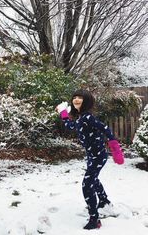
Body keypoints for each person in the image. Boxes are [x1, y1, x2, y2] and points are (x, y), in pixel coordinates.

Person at [56, 89, 124, 230]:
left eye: (80, 97)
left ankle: (95, 219)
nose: (76, 99)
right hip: (92, 155)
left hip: (98, 156)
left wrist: (115, 149)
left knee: (87, 185)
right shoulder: (81, 118)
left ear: (86, 101)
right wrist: (63, 113)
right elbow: (71, 126)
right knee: (94, 180)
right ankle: (104, 202)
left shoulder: (87, 117)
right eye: (74, 97)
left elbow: (106, 129)